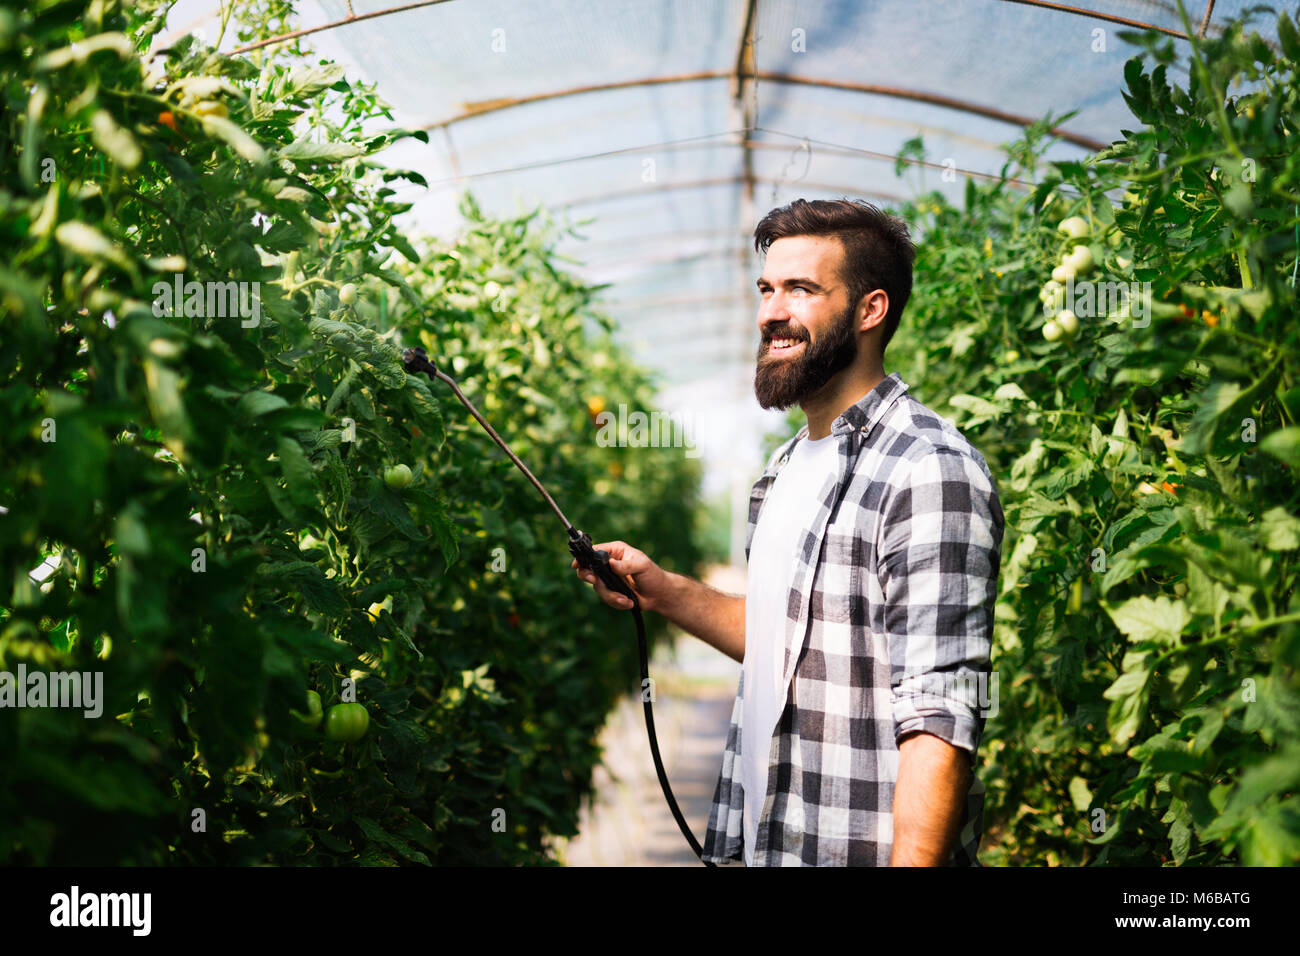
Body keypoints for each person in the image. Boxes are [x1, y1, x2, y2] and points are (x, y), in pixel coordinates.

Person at [572, 198, 1004, 866]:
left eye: (801, 289)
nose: (772, 311)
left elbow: (940, 718)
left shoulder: (926, 468)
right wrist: (665, 591)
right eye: (767, 289)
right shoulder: (781, 472)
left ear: (870, 310)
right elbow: (787, 640)